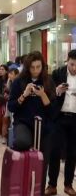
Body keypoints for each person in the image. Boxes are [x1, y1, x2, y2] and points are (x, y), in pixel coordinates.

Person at [8, 51, 56, 194]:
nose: (35, 70)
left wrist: (42, 95)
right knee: (22, 142)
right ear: (27, 67)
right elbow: (11, 107)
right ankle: (21, 183)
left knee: (42, 161)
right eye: (32, 67)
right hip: (23, 123)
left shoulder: (48, 81)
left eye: (38, 67)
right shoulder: (19, 82)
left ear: (43, 66)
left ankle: (38, 191)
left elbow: (53, 111)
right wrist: (24, 94)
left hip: (44, 126)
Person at [46, 50, 76, 196]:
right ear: (67, 60)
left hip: (75, 118)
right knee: (55, 151)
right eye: (72, 64)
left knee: (72, 152)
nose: (75, 68)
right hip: (59, 117)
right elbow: (48, 96)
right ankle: (52, 185)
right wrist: (57, 92)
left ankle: (68, 185)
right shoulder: (58, 73)